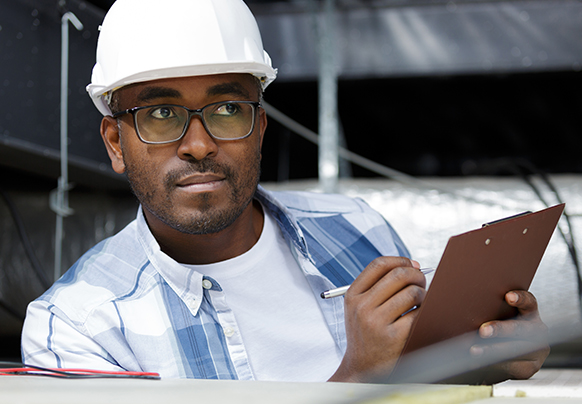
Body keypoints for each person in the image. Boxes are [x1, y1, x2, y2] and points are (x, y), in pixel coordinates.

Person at [21, 0, 549, 383]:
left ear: (260, 128)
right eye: (161, 114)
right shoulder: (77, 327)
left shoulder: (357, 228)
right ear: (116, 143)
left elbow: (419, 384)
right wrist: (359, 381)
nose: (200, 145)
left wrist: (482, 358)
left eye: (228, 109)